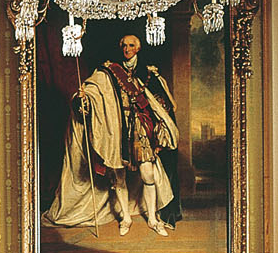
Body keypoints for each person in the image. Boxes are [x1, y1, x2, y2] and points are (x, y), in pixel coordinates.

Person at [45, 32, 180, 236]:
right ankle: (125, 218)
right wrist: (83, 99)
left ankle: (152, 218)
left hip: (140, 130)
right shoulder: (108, 71)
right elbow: (91, 91)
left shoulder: (147, 73)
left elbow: (162, 104)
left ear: (138, 48)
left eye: (131, 45)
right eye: (124, 45)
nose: (127, 49)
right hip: (116, 129)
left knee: (148, 174)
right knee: (119, 177)